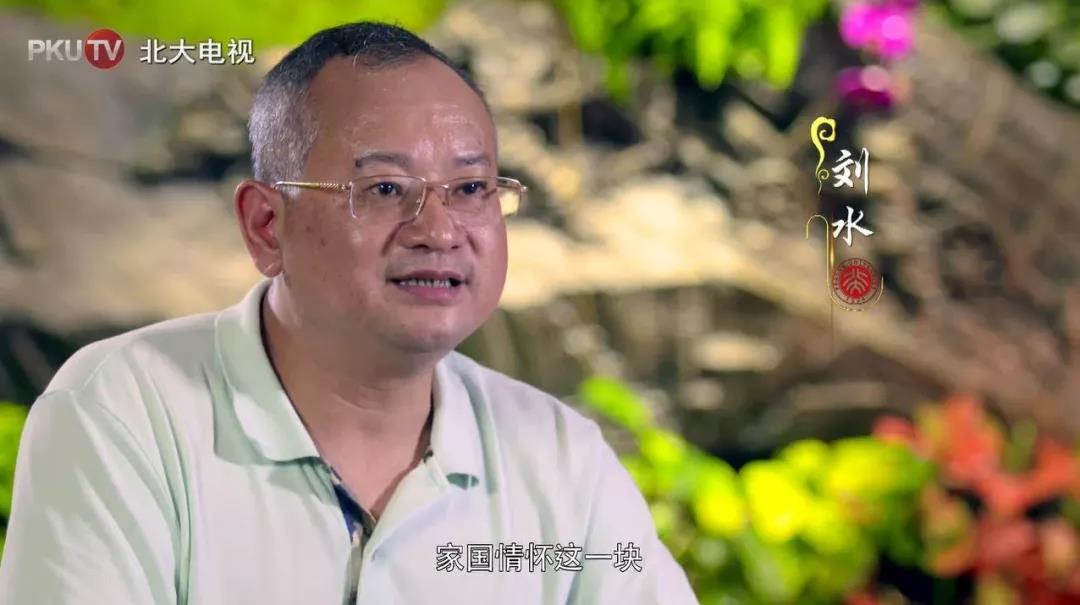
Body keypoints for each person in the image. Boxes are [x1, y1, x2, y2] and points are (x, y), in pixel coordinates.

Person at [0, 22, 699, 605]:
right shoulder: (124, 414)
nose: (439, 229)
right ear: (267, 225)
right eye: (385, 187)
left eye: (470, 187)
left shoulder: (559, 457)